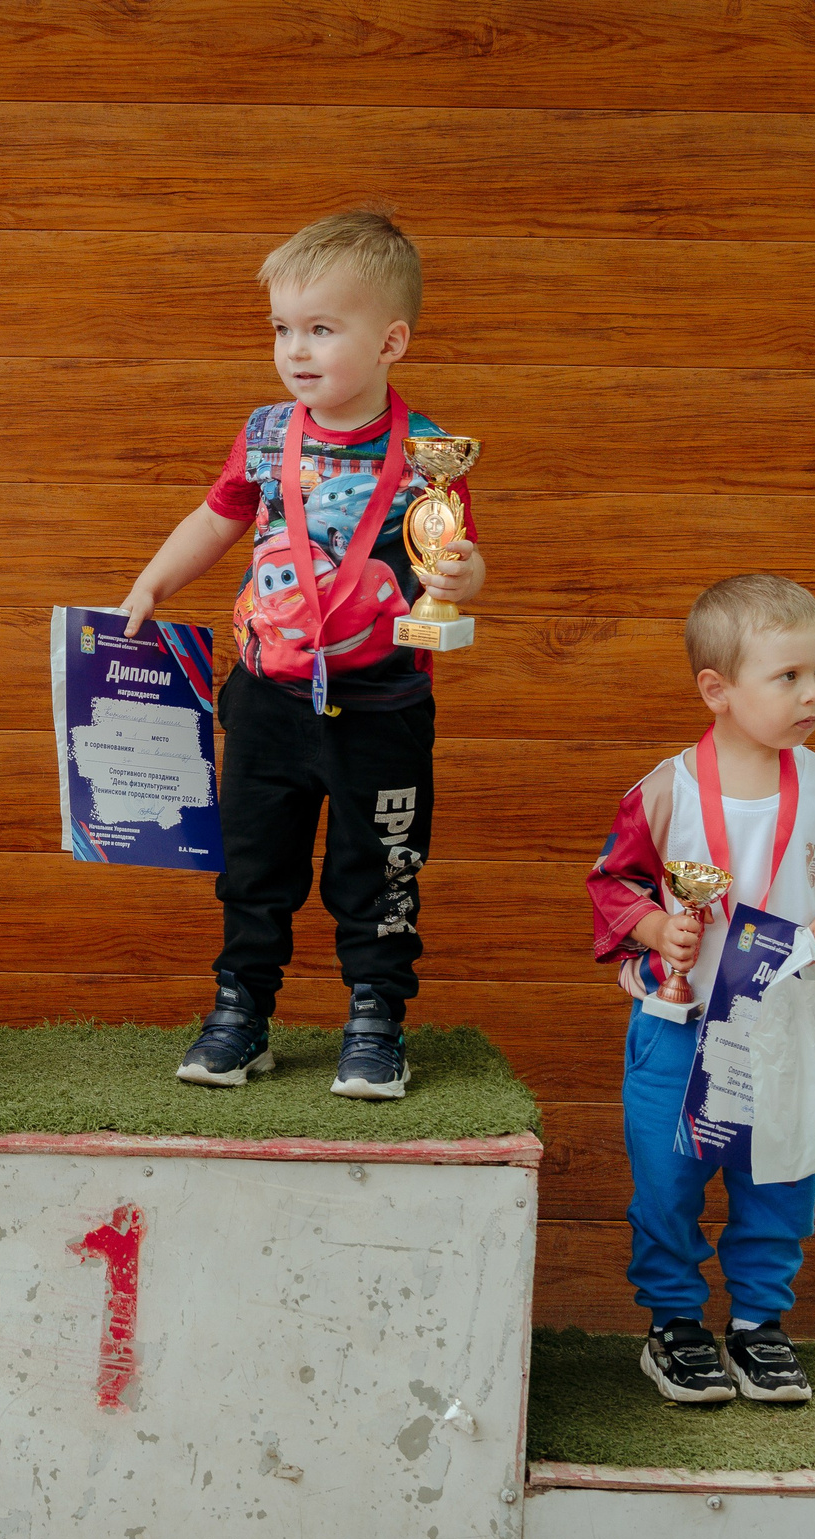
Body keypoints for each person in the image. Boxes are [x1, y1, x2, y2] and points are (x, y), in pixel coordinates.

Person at [119, 208, 485, 1099]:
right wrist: (151, 584)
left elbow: (450, 562)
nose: (297, 349)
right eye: (284, 329)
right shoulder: (266, 433)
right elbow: (218, 515)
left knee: (379, 868)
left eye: (322, 329)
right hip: (267, 695)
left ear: (391, 340)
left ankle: (376, 1019)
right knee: (255, 864)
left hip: (381, 705)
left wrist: (465, 577)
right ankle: (241, 1012)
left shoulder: (427, 459)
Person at [585, 574, 815, 1405]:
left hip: (783, 1025)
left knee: (780, 1177)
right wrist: (655, 931)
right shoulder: (666, 789)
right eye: (788, 676)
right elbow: (613, 882)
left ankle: (759, 1323)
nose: (813, 692)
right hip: (679, 1024)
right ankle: (674, 1323)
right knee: (669, 1182)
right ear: (717, 691)